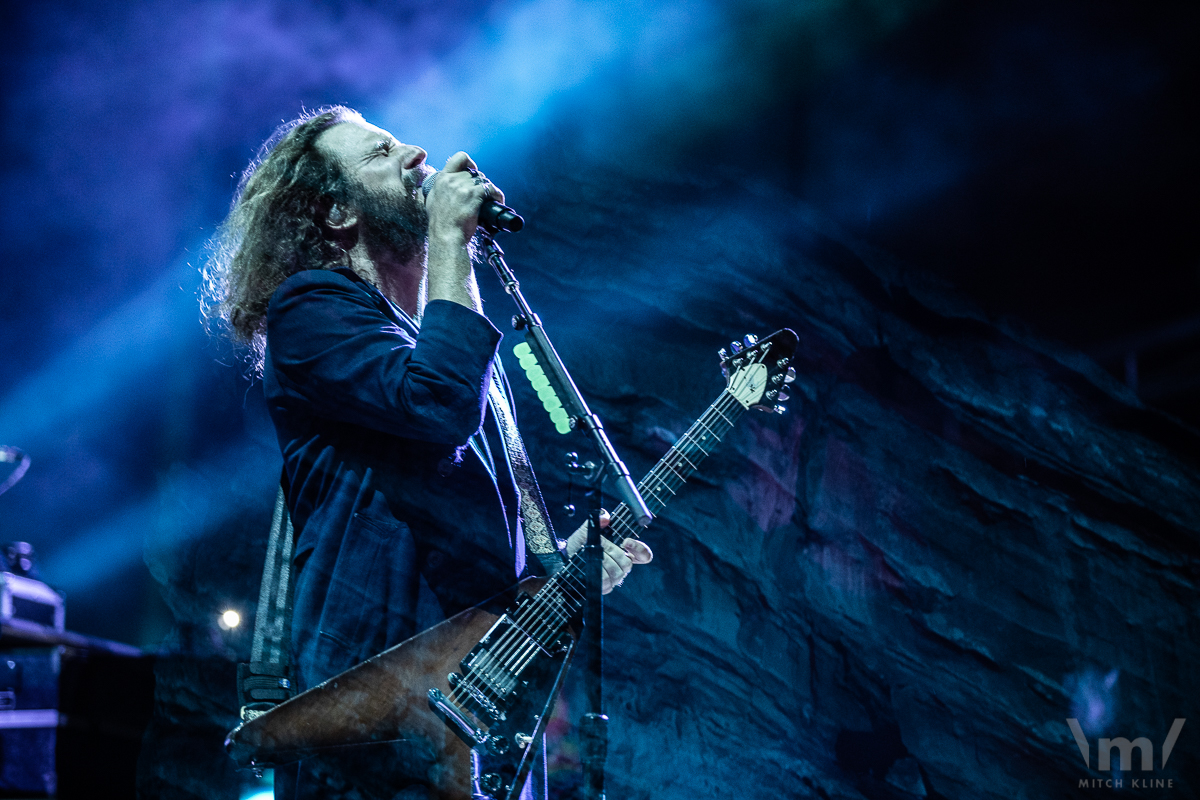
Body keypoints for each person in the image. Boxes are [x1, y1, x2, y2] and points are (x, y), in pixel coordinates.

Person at [203, 106, 651, 798]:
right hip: (377, 717)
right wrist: (447, 234)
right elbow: (435, 404)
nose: (417, 154)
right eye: (382, 154)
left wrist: (561, 568)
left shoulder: (461, 353)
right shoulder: (310, 310)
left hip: (474, 722)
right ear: (336, 212)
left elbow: (491, 542)